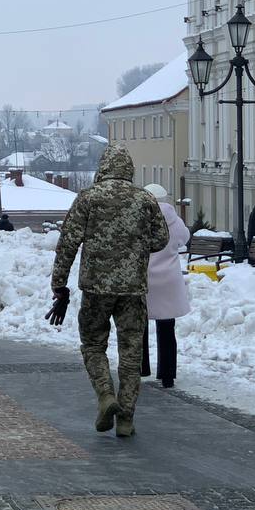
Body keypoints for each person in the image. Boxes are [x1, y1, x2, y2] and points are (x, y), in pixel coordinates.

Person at [45, 145, 168, 439]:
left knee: (93, 345)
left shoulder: (88, 198)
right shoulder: (145, 200)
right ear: (128, 169)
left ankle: (105, 396)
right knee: (131, 351)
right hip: (132, 290)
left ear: (103, 168)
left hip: (96, 289)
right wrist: (135, 247)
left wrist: (59, 285)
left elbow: (68, 244)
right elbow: (161, 238)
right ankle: (125, 417)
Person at [139, 184, 190, 389]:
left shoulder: (138, 219)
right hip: (168, 280)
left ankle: (140, 368)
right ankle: (167, 375)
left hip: (143, 278)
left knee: (138, 326)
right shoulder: (174, 221)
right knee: (167, 329)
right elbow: (184, 239)